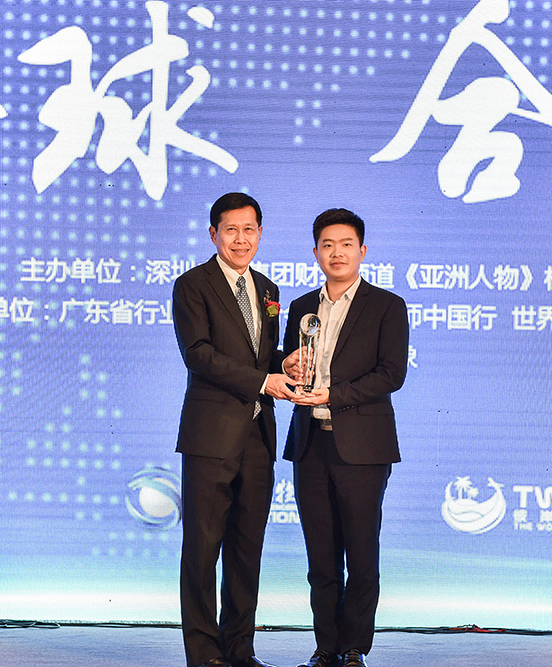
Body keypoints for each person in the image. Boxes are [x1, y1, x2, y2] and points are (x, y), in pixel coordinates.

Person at [172, 192, 297, 667]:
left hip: (258, 437)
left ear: (260, 233)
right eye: (231, 230)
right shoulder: (192, 285)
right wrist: (264, 380)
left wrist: (285, 364)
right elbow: (199, 354)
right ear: (213, 234)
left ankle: (240, 649)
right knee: (202, 550)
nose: (240, 240)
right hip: (211, 436)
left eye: (249, 230)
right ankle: (205, 654)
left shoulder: (267, 289)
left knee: (247, 551)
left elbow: (259, 356)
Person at [282, 209, 410, 667]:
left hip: (363, 448)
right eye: (327, 245)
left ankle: (355, 647)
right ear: (316, 252)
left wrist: (334, 395)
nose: (337, 253)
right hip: (310, 444)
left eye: (346, 244)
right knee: (320, 556)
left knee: (361, 552)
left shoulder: (387, 305)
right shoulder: (301, 307)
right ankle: (325, 646)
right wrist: (287, 367)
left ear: (362, 251)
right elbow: (291, 364)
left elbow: (391, 374)